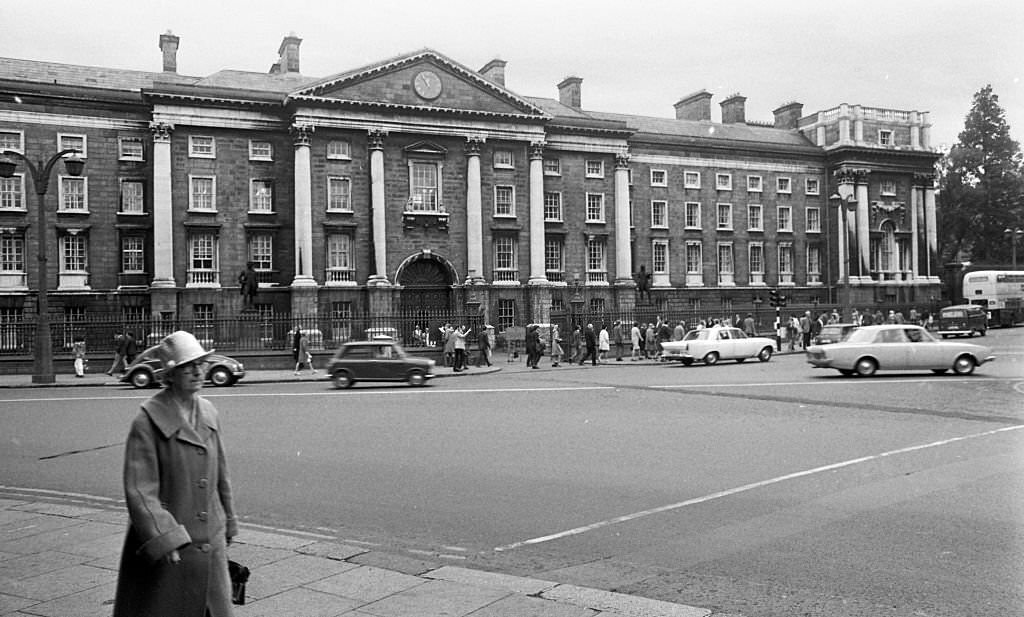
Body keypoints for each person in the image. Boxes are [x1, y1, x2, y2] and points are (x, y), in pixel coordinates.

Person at [112, 330, 238, 617]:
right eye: (187, 366)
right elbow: (140, 490)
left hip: (210, 537)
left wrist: (229, 519)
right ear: (170, 374)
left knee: (213, 607)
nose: (197, 371)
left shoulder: (209, 411)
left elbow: (221, 474)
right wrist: (164, 535)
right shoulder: (148, 419)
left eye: (201, 364)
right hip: (174, 544)